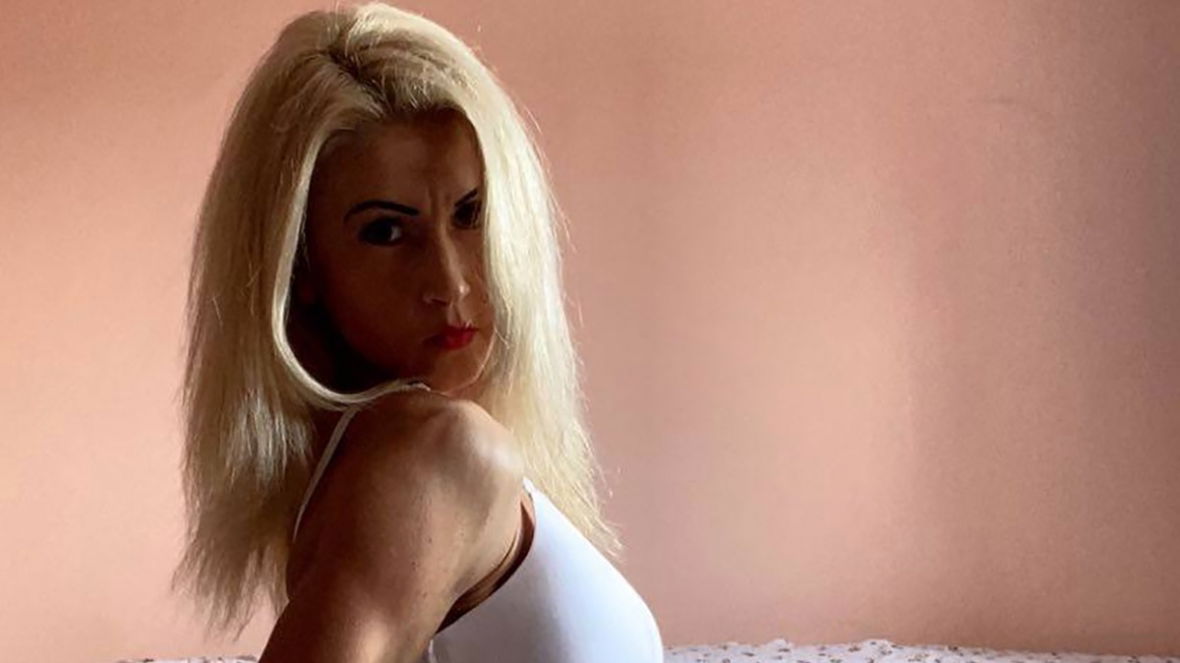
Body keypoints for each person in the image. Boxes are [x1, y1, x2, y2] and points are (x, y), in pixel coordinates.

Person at [169, 2, 664, 661]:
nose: (450, 282)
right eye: (386, 231)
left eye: (470, 214)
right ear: (301, 263)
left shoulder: (385, 456)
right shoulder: (435, 454)